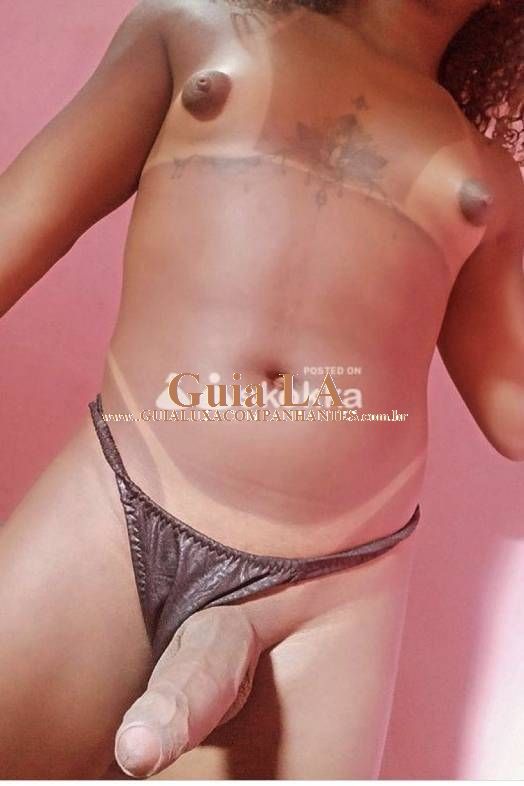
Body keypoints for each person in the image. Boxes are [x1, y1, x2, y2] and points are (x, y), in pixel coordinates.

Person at [0, 0, 523, 779]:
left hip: (327, 598)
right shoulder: (195, 26)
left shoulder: (492, 181)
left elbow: (514, 416)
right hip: (112, 512)